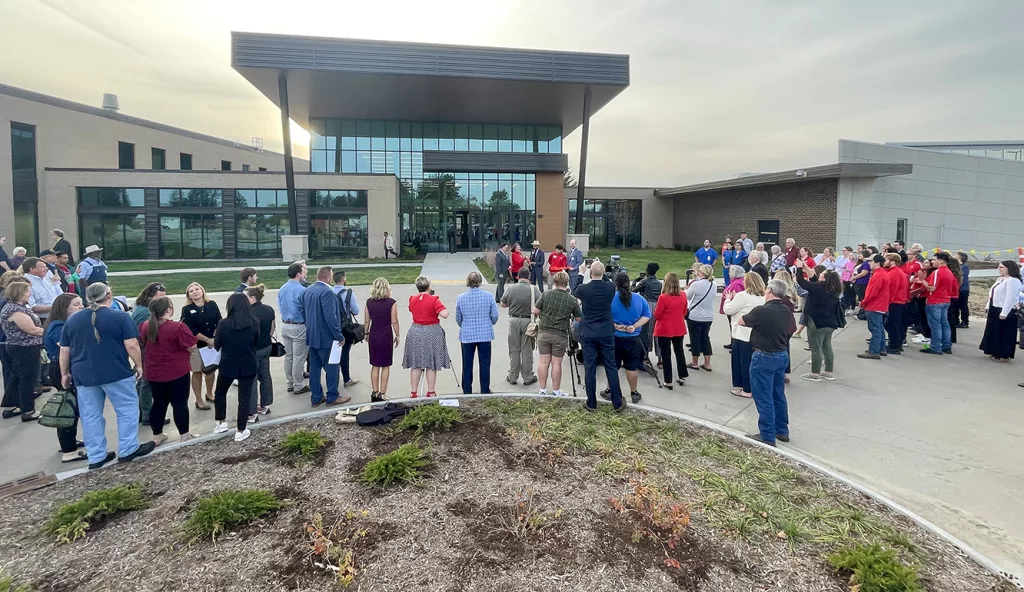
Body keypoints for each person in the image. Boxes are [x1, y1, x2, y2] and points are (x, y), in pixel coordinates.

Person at [59, 282, 154, 469]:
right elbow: (132, 344)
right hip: (116, 371)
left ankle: (96, 456)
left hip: (84, 374)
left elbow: (64, 350)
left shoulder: (73, 319)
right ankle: (128, 448)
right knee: (126, 409)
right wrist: (139, 364)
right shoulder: (119, 317)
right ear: (108, 295)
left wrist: (64, 373)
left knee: (90, 415)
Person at [738, 279, 793, 447]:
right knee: (778, 394)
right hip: (781, 354)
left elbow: (742, 321)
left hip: (764, 356)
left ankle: (767, 435)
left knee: (763, 396)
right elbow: (790, 329)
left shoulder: (761, 311)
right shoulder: (786, 309)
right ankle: (782, 430)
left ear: (769, 291)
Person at [140, 296, 198, 446]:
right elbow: (191, 346)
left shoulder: (145, 326)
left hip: (154, 373)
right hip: (177, 371)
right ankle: (184, 435)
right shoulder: (177, 327)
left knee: (159, 403)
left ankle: (157, 435)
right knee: (179, 403)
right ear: (168, 310)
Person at [574, 261, 625, 411]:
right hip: (606, 332)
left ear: (591, 274)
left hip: (588, 332)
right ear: (603, 273)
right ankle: (617, 402)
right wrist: (600, 269)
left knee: (590, 367)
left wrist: (581, 272)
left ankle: (591, 403)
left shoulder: (584, 289)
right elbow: (607, 280)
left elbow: (575, 289)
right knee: (611, 366)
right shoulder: (610, 288)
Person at [43, 293, 86, 461]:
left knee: (72, 408)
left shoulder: (65, 324)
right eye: (76, 305)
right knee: (67, 408)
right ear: (64, 308)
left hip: (66, 367)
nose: (80, 307)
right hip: (60, 368)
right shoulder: (58, 327)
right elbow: (67, 348)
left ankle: (70, 441)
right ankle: (68, 451)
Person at [211, 293, 260, 441]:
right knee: (244, 398)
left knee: (220, 393)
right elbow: (256, 342)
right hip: (248, 363)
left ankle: (221, 422)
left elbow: (217, 344)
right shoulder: (254, 323)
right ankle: (241, 429)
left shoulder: (223, 324)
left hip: (228, 364)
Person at [302, 266, 348, 407]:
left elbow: (304, 312)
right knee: (332, 368)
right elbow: (331, 317)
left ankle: (316, 397)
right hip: (327, 339)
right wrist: (339, 336)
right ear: (328, 277)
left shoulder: (308, 290)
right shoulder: (328, 293)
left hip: (312, 336)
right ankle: (332, 396)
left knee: (314, 369)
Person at [1, 280, 44, 421]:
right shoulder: (15, 309)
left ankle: (11, 405)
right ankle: (28, 410)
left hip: (21, 346)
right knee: (27, 378)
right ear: (18, 293)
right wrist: (44, 331)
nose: (29, 293)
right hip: (24, 347)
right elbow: (31, 329)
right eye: (27, 291)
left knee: (16, 375)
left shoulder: (21, 306)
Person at [533, 271, 582, 397]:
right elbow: (578, 319)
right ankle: (556, 390)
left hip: (544, 332)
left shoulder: (546, 294)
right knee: (556, 363)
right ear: (567, 283)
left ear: (555, 282)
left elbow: (535, 311)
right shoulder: (571, 299)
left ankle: (542, 390)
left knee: (543, 362)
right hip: (560, 334)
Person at [403, 276, 452, 398]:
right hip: (431, 331)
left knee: (416, 363)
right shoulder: (434, 299)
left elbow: (411, 309)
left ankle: (413, 392)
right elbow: (444, 314)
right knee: (431, 363)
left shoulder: (412, 299)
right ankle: (430, 391)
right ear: (429, 286)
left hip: (415, 331)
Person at [795, 262, 843, 380]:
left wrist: (799, 269)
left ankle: (815, 373)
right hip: (831, 321)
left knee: (815, 346)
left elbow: (801, 281)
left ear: (824, 278)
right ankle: (828, 371)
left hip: (816, 321)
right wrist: (805, 266)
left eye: (821, 273)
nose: (819, 274)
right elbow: (813, 278)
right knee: (827, 346)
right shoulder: (833, 289)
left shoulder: (817, 288)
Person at [723, 272, 766, 398]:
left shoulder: (743, 296)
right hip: (756, 334)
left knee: (743, 363)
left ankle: (746, 389)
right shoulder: (763, 297)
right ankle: (753, 386)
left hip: (742, 334)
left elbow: (729, 310)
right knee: (753, 363)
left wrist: (728, 299)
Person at [610, 272, 651, 404]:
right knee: (631, 367)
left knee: (613, 366)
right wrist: (635, 326)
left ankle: (610, 390)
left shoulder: (611, 298)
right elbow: (647, 315)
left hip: (615, 337)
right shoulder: (639, 299)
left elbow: (604, 315)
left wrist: (615, 325)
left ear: (615, 284)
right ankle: (634, 392)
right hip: (633, 338)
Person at [457, 271, 499, 394]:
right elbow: (495, 316)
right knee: (485, 364)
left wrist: (465, 325)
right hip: (485, 334)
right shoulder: (489, 296)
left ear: (468, 282)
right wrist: (488, 323)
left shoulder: (461, 298)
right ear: (480, 281)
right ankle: (485, 390)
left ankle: (467, 390)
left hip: (467, 335)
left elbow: (458, 318)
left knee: (467, 364)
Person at [130, 282, 167, 425]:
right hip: (145, 350)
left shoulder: (143, 308)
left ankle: (140, 410)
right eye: (159, 298)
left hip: (143, 349)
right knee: (147, 382)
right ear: (150, 296)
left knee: (142, 382)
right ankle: (147, 413)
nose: (162, 300)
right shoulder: (145, 312)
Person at [181, 282, 222, 409]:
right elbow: (190, 329)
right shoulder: (187, 309)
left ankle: (209, 394)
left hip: (211, 345)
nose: (195, 292)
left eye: (197, 289)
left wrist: (214, 338)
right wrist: (206, 339)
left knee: (210, 371)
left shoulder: (212, 304)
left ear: (202, 291)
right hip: (197, 345)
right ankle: (199, 400)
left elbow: (219, 321)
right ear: (189, 295)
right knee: (197, 372)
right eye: (191, 291)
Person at [501, 268, 541, 386]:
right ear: (528, 276)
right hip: (528, 321)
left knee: (514, 349)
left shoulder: (511, 288)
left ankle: (513, 376)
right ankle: (528, 376)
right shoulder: (534, 289)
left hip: (513, 320)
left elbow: (503, 303)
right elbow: (540, 305)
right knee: (527, 349)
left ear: (518, 276)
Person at [979, 260, 1022, 362]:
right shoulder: (1000, 279)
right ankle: (995, 351)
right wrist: (988, 306)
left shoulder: (1013, 281)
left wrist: (1004, 313)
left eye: (1001, 267)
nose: (999, 269)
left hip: (1006, 310)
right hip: (995, 308)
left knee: (1005, 333)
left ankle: (1004, 355)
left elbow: (1010, 298)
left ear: (1009, 268)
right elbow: (993, 294)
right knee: (995, 331)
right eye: (999, 267)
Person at [278, 262, 309, 395]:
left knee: (289, 356)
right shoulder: (301, 290)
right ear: (298, 274)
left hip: (285, 324)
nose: (304, 274)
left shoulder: (282, 288)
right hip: (298, 325)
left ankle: (289, 382)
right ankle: (298, 384)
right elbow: (305, 309)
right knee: (299, 357)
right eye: (302, 272)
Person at [365, 278, 399, 402]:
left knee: (375, 365)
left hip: (374, 334)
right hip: (386, 335)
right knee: (385, 365)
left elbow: (367, 320)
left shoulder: (369, 302)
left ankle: (374, 392)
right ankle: (382, 394)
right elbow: (394, 321)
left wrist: (366, 332)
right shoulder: (392, 303)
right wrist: (398, 334)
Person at [653, 272, 688, 390]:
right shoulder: (683, 295)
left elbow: (657, 315)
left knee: (666, 354)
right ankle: (682, 375)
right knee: (679, 351)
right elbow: (684, 311)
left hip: (664, 328)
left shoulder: (663, 297)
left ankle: (668, 380)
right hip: (678, 327)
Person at [246, 284, 276, 416]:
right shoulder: (268, 309)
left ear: (252, 298)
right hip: (266, 346)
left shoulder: (247, 312)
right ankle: (265, 405)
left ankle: (251, 410)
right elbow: (273, 327)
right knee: (265, 376)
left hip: (252, 350)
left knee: (251, 379)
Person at [920, 252, 956, 355]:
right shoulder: (950, 272)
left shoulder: (937, 272)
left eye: (934, 260)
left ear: (941, 261)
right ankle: (946, 345)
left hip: (936, 300)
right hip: (946, 300)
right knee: (944, 324)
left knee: (935, 325)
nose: (932, 261)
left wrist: (923, 280)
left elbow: (932, 287)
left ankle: (935, 346)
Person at [330, 270, 361, 389]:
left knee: (333, 354)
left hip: (333, 326)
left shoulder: (329, 292)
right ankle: (346, 378)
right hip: (346, 327)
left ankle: (333, 381)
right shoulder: (348, 293)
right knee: (345, 353)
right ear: (343, 279)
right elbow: (356, 311)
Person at [857, 255, 889, 360]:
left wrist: (864, 303)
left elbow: (872, 293)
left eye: (871, 262)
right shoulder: (882, 274)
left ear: (877, 263)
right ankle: (881, 348)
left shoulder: (878, 275)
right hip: (880, 305)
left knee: (875, 328)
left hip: (874, 305)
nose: (869, 264)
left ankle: (874, 351)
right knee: (879, 328)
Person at [684, 264, 716, 371]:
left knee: (695, 339)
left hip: (695, 315)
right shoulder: (714, 284)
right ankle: (707, 363)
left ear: (701, 272)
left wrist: (686, 289)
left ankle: (695, 362)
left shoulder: (696, 285)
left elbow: (686, 296)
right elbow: (703, 284)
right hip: (708, 316)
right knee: (705, 338)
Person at [633, 262, 663, 365]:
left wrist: (635, 281)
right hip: (658, 306)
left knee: (647, 333)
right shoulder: (659, 283)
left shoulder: (644, 282)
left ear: (647, 271)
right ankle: (660, 357)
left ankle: (646, 355)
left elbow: (633, 291)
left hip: (647, 307)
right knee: (657, 333)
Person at [883, 253, 910, 356]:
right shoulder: (898, 272)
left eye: (886, 260)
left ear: (892, 261)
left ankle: (894, 346)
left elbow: (892, 290)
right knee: (895, 324)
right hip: (898, 301)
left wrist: (887, 303)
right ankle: (896, 344)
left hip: (895, 302)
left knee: (892, 324)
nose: (884, 262)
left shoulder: (894, 273)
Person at [21, 257, 61, 323]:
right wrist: (56, 307)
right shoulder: (25, 284)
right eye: (43, 267)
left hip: (55, 317)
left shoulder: (45, 279)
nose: (46, 269)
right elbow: (31, 307)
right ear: (32, 269)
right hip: (42, 321)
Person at [720, 265, 746, 350]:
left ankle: (735, 345)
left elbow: (738, 297)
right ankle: (733, 343)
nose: (729, 273)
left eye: (731, 271)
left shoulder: (737, 283)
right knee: (732, 326)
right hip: (730, 306)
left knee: (734, 327)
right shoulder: (735, 282)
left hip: (733, 308)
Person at [955, 252, 971, 328]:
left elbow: (962, 277)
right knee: (956, 305)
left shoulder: (965, 267)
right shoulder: (956, 266)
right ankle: (956, 320)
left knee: (963, 305)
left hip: (963, 289)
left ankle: (965, 322)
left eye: (956, 255)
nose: (954, 256)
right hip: (957, 289)